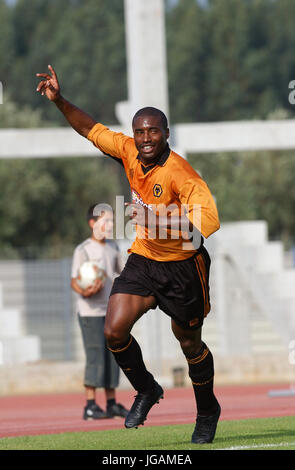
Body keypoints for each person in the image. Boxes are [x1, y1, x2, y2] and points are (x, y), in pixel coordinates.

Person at [36, 65, 221, 444]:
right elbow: (91, 129)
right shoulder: (129, 152)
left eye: (154, 131)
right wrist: (59, 102)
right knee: (113, 330)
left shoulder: (182, 174)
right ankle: (147, 389)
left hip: (184, 267)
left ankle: (206, 412)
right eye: (140, 132)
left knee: (189, 345)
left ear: (166, 134)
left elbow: (201, 231)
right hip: (144, 260)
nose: (146, 138)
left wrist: (155, 221)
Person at [71, 203, 128, 420]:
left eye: (112, 220)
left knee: (112, 356)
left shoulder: (113, 248)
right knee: (95, 356)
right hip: (89, 313)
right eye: (105, 220)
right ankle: (90, 405)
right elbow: (75, 281)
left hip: (110, 312)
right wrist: (85, 291)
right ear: (92, 223)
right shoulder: (83, 250)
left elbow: (122, 273)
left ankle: (112, 403)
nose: (110, 224)